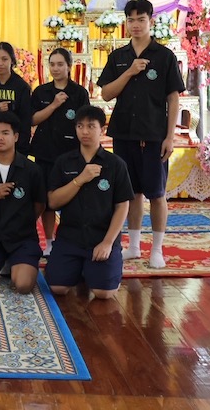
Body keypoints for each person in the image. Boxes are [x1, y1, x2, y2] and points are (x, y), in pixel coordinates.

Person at [98, 0, 185, 269]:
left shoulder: (165, 56)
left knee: (156, 193)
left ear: (151, 21)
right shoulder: (119, 57)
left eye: (141, 19)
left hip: (154, 134)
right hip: (124, 133)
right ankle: (134, 246)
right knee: (131, 193)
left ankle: (157, 249)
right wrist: (129, 73)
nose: (135, 25)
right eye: (131, 20)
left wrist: (170, 137)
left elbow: (173, 99)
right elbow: (106, 93)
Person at [45, 106, 133, 299]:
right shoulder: (64, 162)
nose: (84, 131)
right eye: (80, 126)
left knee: (104, 293)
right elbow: (52, 202)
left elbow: (122, 206)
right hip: (70, 237)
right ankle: (82, 268)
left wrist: (108, 242)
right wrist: (80, 179)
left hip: (101, 237)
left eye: (91, 126)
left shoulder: (115, 164)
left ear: (102, 129)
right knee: (58, 287)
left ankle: (97, 268)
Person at [0, 112, 46, 294]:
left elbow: (40, 204)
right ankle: (2, 261)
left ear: (16, 137)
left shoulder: (31, 170)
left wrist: (23, 221)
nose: (0, 138)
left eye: (5, 133)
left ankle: (15, 262)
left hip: (23, 237)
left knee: (22, 285)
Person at [30, 48, 91, 256]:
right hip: (45, 153)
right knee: (46, 200)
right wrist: (54, 105)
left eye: (60, 64)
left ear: (69, 66)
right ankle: (48, 242)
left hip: (71, 154)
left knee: (71, 198)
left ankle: (69, 240)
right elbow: (32, 120)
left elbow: (85, 122)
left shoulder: (79, 93)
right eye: (52, 64)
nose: (55, 69)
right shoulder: (41, 92)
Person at [0, 41, 32, 156]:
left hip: (16, 146)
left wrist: (22, 148)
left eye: (4, 59)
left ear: (12, 60)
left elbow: (25, 120)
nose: (0, 63)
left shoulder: (21, 87)